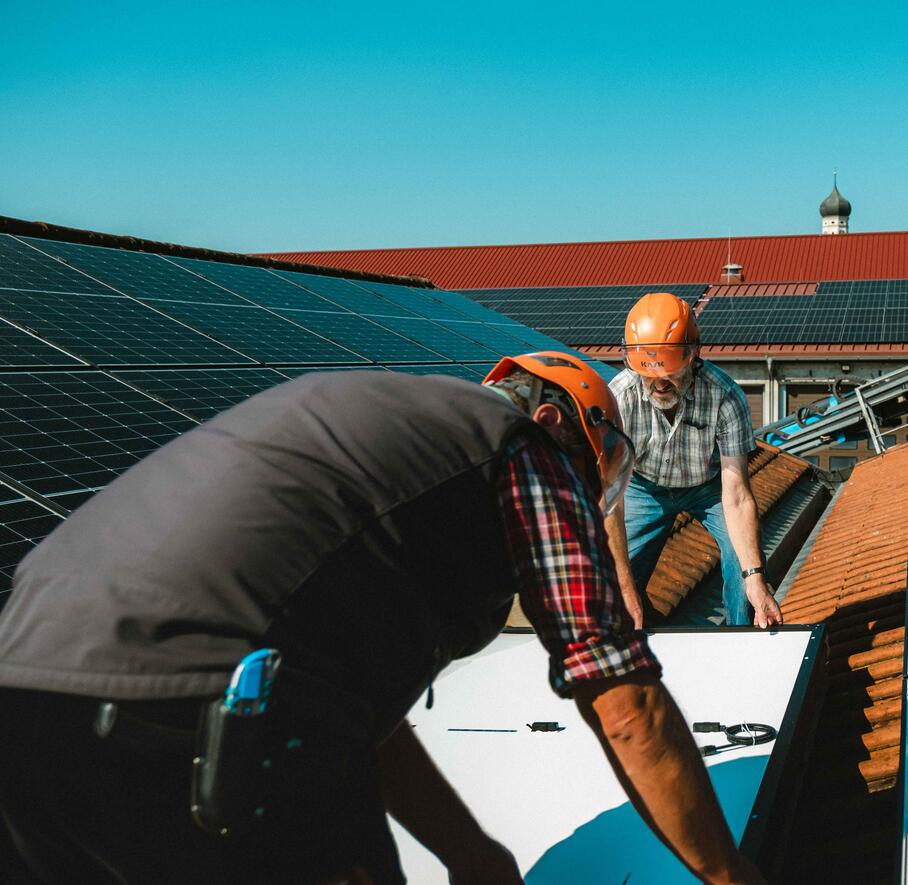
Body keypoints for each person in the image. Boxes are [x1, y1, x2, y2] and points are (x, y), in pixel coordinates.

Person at [0, 352, 766, 885]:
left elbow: (354, 710)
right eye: (594, 477)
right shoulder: (525, 448)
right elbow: (625, 704)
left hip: (23, 700)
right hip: (190, 721)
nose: (587, 501)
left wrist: (467, 850)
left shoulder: (384, 428)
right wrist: (731, 875)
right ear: (561, 427)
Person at [608, 293, 783, 629]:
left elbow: (736, 494)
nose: (658, 382)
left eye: (669, 370)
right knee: (613, 583)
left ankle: (743, 631)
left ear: (693, 354)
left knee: (743, 562)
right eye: (648, 371)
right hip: (643, 488)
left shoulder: (725, 396)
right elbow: (607, 502)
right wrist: (625, 589)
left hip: (710, 488)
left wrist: (755, 578)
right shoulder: (618, 399)